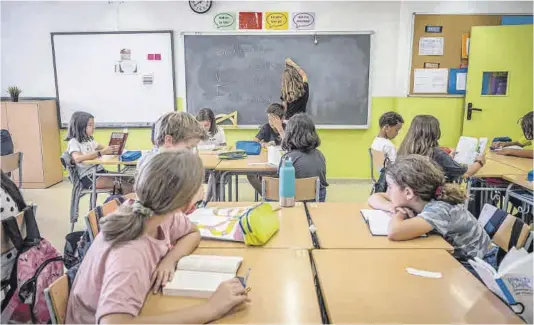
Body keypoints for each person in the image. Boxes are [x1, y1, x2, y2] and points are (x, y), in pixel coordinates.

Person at [65, 150, 249, 324]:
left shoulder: (156, 212)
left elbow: (192, 233)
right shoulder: (130, 252)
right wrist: (210, 309)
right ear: (187, 204)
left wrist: (169, 260)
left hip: (139, 305)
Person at [367, 155, 496, 268]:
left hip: (479, 266)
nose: (388, 192)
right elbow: (374, 198)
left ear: (408, 192)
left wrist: (399, 213)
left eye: (390, 187)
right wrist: (391, 206)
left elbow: (395, 232)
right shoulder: (419, 199)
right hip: (459, 259)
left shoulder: (440, 209)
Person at [397, 115, 485, 182]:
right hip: (432, 199)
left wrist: (447, 157)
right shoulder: (437, 154)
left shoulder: (403, 149)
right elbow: (467, 173)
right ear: (435, 132)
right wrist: (479, 162)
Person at [66, 111, 132, 193]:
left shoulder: (89, 140)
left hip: (100, 172)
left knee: (132, 179)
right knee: (127, 187)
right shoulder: (74, 142)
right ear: (80, 127)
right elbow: (77, 158)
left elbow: (105, 149)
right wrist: (101, 152)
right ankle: (123, 204)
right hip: (89, 177)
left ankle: (120, 202)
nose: (93, 128)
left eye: (93, 125)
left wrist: (114, 147)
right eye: (90, 125)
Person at [280, 114, 328, 201]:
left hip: (293, 206)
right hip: (316, 205)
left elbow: (281, 186)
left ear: (289, 134)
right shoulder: (320, 155)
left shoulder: (287, 159)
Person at [137, 112, 208, 169]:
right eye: (189, 148)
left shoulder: (168, 158)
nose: (192, 154)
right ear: (168, 141)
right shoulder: (155, 168)